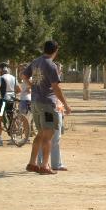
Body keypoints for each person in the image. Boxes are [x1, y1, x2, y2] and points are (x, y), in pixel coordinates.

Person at [22, 40, 71, 175]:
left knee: (40, 134)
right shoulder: (51, 65)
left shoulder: (36, 61)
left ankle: (32, 163)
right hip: (47, 104)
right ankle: (44, 165)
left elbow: (24, 75)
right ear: (56, 50)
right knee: (48, 135)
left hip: (36, 103)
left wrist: (32, 85)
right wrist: (65, 104)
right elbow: (56, 87)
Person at [37, 63, 68, 171]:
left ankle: (56, 164)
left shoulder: (55, 82)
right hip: (49, 110)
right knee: (46, 137)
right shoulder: (48, 82)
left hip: (57, 110)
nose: (60, 72)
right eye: (59, 70)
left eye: (60, 70)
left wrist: (62, 110)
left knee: (56, 138)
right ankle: (41, 163)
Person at [0, 62, 19, 146]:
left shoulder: (0, 78)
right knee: (11, 118)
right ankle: (13, 138)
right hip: (12, 101)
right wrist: (12, 93)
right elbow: (19, 89)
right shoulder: (13, 78)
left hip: (3, 102)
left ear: (1, 70)